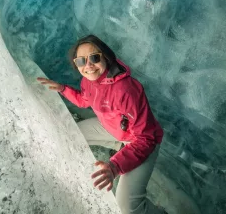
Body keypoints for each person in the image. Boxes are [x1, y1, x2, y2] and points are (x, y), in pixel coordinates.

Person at [37, 34, 165, 214]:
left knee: (127, 207)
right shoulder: (88, 80)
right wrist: (63, 89)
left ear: (106, 56)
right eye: (81, 61)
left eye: (94, 58)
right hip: (112, 128)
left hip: (141, 141)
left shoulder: (126, 90)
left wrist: (115, 167)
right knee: (72, 134)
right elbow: (84, 100)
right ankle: (118, 145)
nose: (88, 65)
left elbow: (146, 138)